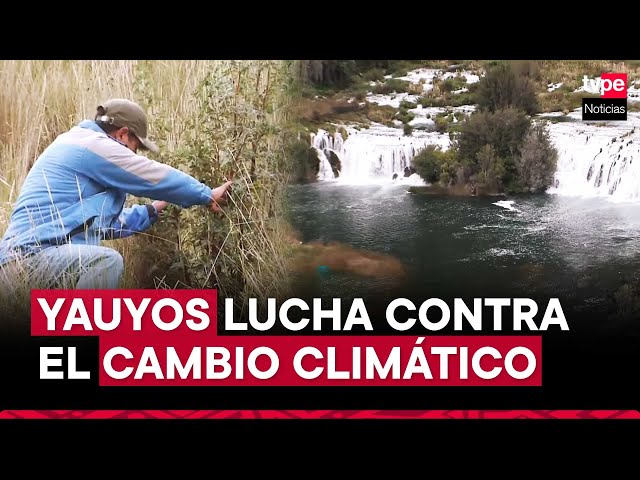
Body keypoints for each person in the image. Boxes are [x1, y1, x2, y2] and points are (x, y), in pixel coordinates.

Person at [0, 98, 233, 290]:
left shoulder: (78, 145)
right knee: (105, 262)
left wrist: (154, 208)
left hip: (28, 263)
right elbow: (151, 175)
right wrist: (206, 194)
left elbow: (106, 223)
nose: (135, 155)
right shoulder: (92, 145)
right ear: (122, 134)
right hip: (28, 260)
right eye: (136, 148)